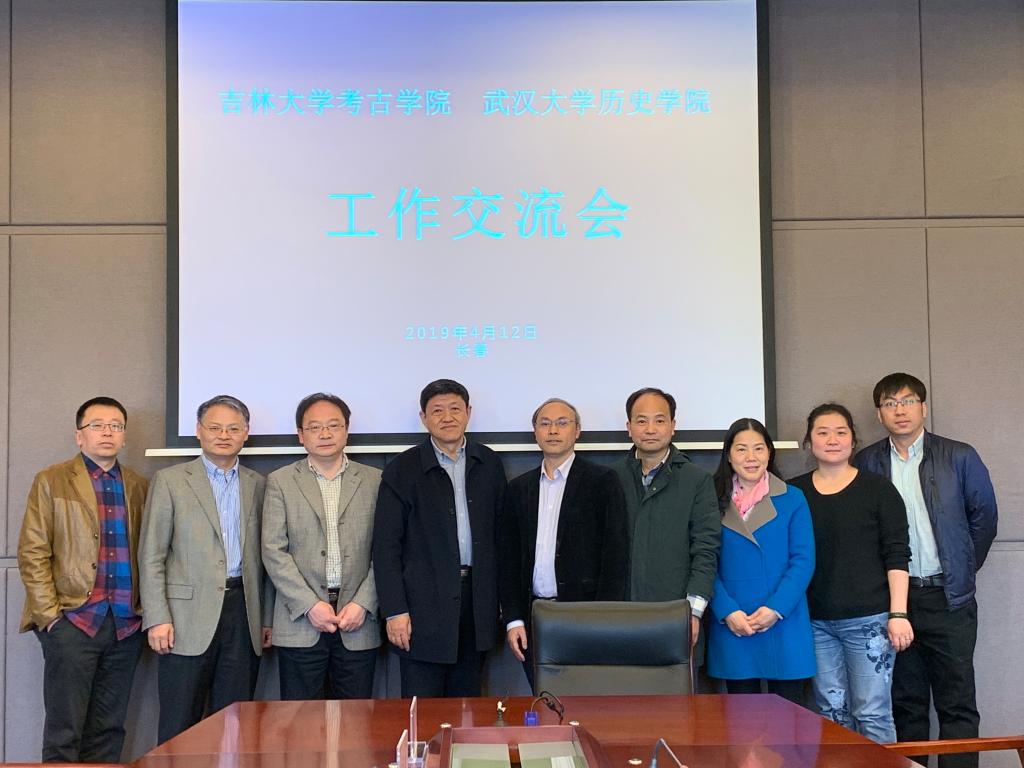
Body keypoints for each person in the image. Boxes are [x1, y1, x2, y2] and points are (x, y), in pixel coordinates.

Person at [854, 373, 997, 768]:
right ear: (879, 414)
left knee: (957, 703)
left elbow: (983, 519)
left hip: (948, 599)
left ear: (924, 407)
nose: (899, 410)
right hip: (894, 603)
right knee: (905, 702)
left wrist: (960, 569)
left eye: (907, 401)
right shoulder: (867, 462)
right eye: (890, 403)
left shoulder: (959, 456)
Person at [17, 396, 149, 762]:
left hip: (125, 625)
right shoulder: (52, 480)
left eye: (116, 426)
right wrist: (51, 618)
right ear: (79, 435)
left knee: (109, 729)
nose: (107, 432)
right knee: (65, 730)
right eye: (97, 425)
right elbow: (32, 551)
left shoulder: (138, 485)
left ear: (124, 435)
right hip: (73, 621)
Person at [139, 395, 271, 743]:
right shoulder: (170, 481)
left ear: (246, 433)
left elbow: (267, 559)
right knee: (179, 724)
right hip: (184, 618)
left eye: (233, 428)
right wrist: (157, 617)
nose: (224, 435)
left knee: (235, 724)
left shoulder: (258, 484)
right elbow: (151, 554)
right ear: (198, 431)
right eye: (215, 427)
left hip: (243, 612)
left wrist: (267, 618)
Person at [372, 379, 507, 697]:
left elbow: (504, 538)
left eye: (455, 409)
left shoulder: (489, 463)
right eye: (437, 411)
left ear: (468, 412)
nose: (447, 417)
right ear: (423, 418)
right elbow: (386, 547)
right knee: (422, 709)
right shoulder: (402, 469)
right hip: (421, 609)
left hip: (477, 604)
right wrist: (395, 610)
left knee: (468, 707)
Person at [790, 403, 913, 744]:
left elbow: (897, 554)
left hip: (870, 621)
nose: (832, 440)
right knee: (830, 713)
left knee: (872, 711)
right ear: (808, 441)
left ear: (853, 440)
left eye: (840, 432)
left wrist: (898, 613)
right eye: (823, 432)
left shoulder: (878, 489)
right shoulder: (793, 493)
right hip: (814, 623)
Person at [499, 398, 628, 688]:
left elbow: (615, 556)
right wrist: (514, 619)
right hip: (534, 617)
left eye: (562, 423)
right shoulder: (519, 488)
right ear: (535, 432)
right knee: (544, 700)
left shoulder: (602, 481)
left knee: (585, 700)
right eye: (545, 424)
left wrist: (604, 618)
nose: (553, 430)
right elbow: (508, 559)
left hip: (584, 616)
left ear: (577, 430)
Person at [262, 393, 382, 700]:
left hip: (358, 620)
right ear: (301, 435)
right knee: (300, 721)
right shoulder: (280, 481)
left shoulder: (375, 480)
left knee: (357, 721)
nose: (325, 434)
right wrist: (309, 605)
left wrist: (364, 603)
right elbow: (273, 551)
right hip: (301, 621)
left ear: (347, 429)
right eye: (315, 427)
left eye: (333, 425)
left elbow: (386, 550)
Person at [707, 418, 815, 705]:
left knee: (790, 722)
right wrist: (727, 610)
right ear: (728, 455)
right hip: (734, 623)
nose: (751, 457)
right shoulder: (710, 499)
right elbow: (704, 562)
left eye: (758, 448)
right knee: (743, 722)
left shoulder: (793, 498)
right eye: (741, 449)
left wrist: (776, 608)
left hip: (783, 621)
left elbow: (803, 560)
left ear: (769, 452)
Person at [613, 387, 720, 648]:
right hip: (618, 616)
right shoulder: (611, 478)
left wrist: (692, 612)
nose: (650, 429)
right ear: (629, 427)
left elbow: (705, 550)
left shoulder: (696, 480)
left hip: (676, 615)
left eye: (659, 420)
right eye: (641, 421)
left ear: (673, 426)